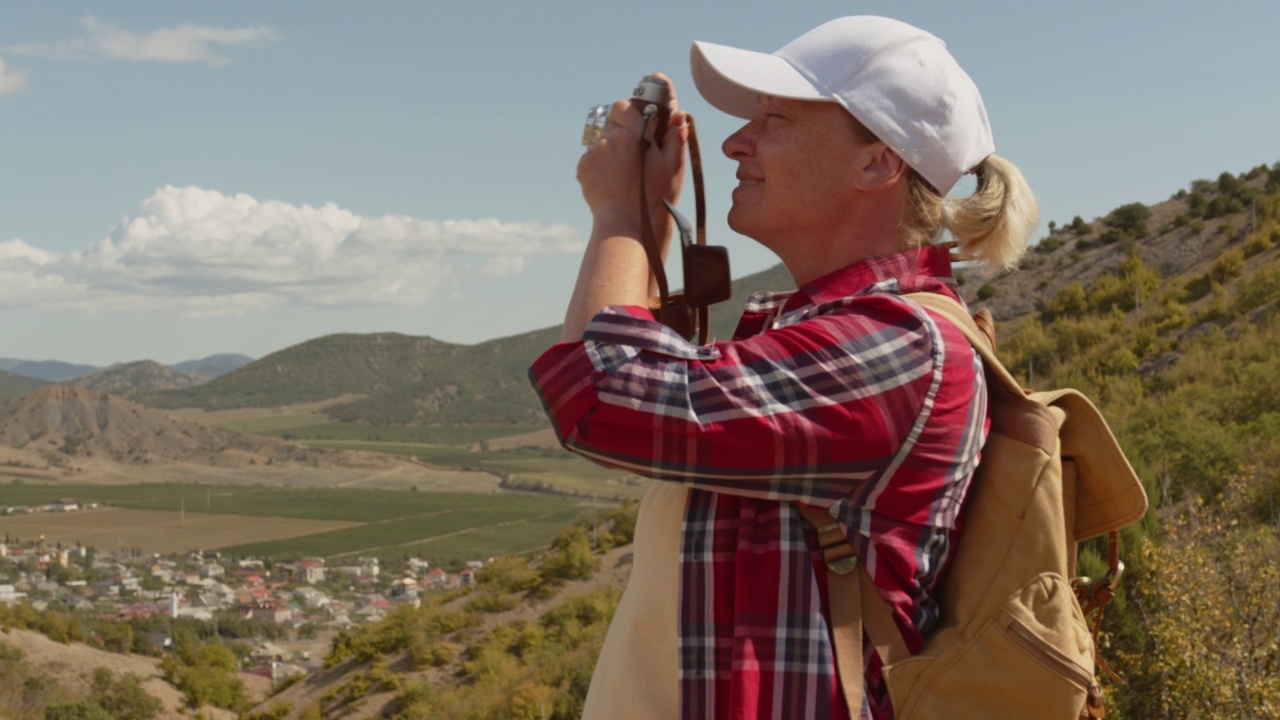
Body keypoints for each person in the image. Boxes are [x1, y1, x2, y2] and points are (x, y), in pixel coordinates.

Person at [529, 15, 1039, 720]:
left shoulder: (900, 343)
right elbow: (628, 369)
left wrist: (622, 210)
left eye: (775, 118)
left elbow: (599, 393)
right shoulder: (813, 332)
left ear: (876, 162)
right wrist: (642, 217)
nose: (738, 140)